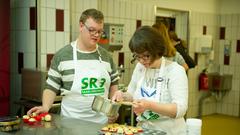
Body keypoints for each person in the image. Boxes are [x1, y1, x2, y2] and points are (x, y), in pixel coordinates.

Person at [27, 8, 123, 124]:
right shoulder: (62, 56)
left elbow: (114, 84)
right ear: (81, 26)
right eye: (92, 30)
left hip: (101, 125)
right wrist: (45, 107)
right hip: (71, 124)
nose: (96, 35)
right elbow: (51, 86)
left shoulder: (107, 56)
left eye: (100, 31)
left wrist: (112, 110)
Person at [127, 26, 188, 135]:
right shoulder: (140, 67)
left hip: (170, 131)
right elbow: (131, 94)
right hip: (144, 130)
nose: (141, 61)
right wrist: (122, 96)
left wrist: (149, 105)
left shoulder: (175, 71)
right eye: (137, 56)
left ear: (156, 50)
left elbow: (179, 109)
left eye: (146, 56)